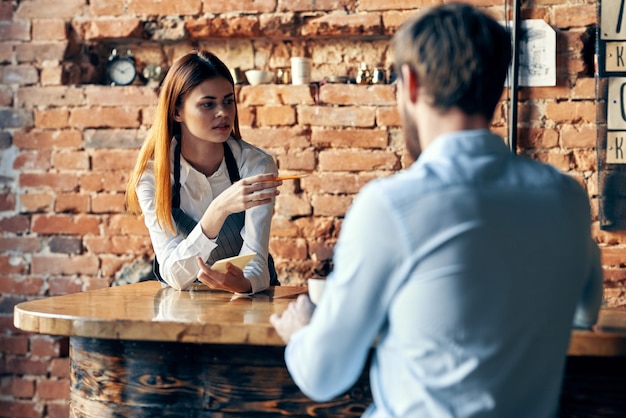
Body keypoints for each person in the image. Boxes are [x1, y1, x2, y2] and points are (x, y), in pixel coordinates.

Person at [270, 3, 604, 417]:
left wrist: (303, 332)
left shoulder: (391, 205)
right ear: (497, 88)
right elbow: (585, 310)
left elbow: (323, 376)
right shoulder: (566, 198)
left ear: (409, 84)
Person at [126, 50, 282, 294]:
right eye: (208, 104)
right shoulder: (152, 177)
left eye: (228, 101)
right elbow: (173, 274)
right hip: (184, 306)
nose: (223, 112)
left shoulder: (255, 165)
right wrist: (219, 210)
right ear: (177, 111)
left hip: (247, 300)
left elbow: (257, 260)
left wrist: (242, 284)